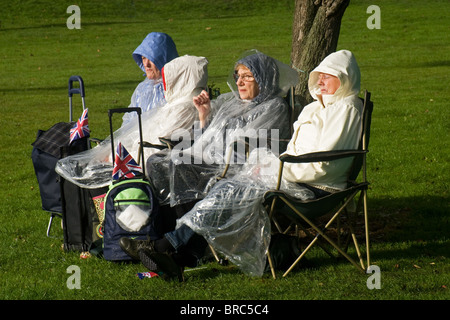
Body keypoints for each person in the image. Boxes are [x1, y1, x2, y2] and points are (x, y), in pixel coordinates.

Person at [121, 49, 364, 279]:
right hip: (286, 173)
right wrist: (269, 165)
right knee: (205, 181)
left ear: (344, 80)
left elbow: (323, 163)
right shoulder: (315, 108)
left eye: (328, 77)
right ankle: (178, 252)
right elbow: (288, 150)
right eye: (318, 76)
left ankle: (168, 247)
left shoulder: (347, 107)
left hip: (314, 186)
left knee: (227, 189)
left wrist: (276, 168)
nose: (320, 81)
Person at [147, 50, 299, 207]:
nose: (239, 82)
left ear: (264, 79)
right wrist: (204, 115)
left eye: (247, 76)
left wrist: (206, 152)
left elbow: (247, 146)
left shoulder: (273, 107)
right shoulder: (233, 104)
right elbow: (206, 139)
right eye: (238, 76)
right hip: (209, 157)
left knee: (179, 163)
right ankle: (166, 221)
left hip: (233, 166)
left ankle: (184, 223)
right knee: (155, 162)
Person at [55, 55, 209, 189]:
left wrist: (117, 157)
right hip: (146, 159)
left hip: (145, 166)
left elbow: (157, 148)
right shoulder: (180, 105)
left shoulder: (184, 110)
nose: (166, 84)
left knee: (82, 171)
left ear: (181, 79)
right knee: (82, 166)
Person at [121, 32, 179, 126]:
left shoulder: (177, 87)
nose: (146, 64)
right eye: (143, 58)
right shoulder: (142, 89)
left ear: (163, 59)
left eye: (151, 59)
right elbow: (127, 122)